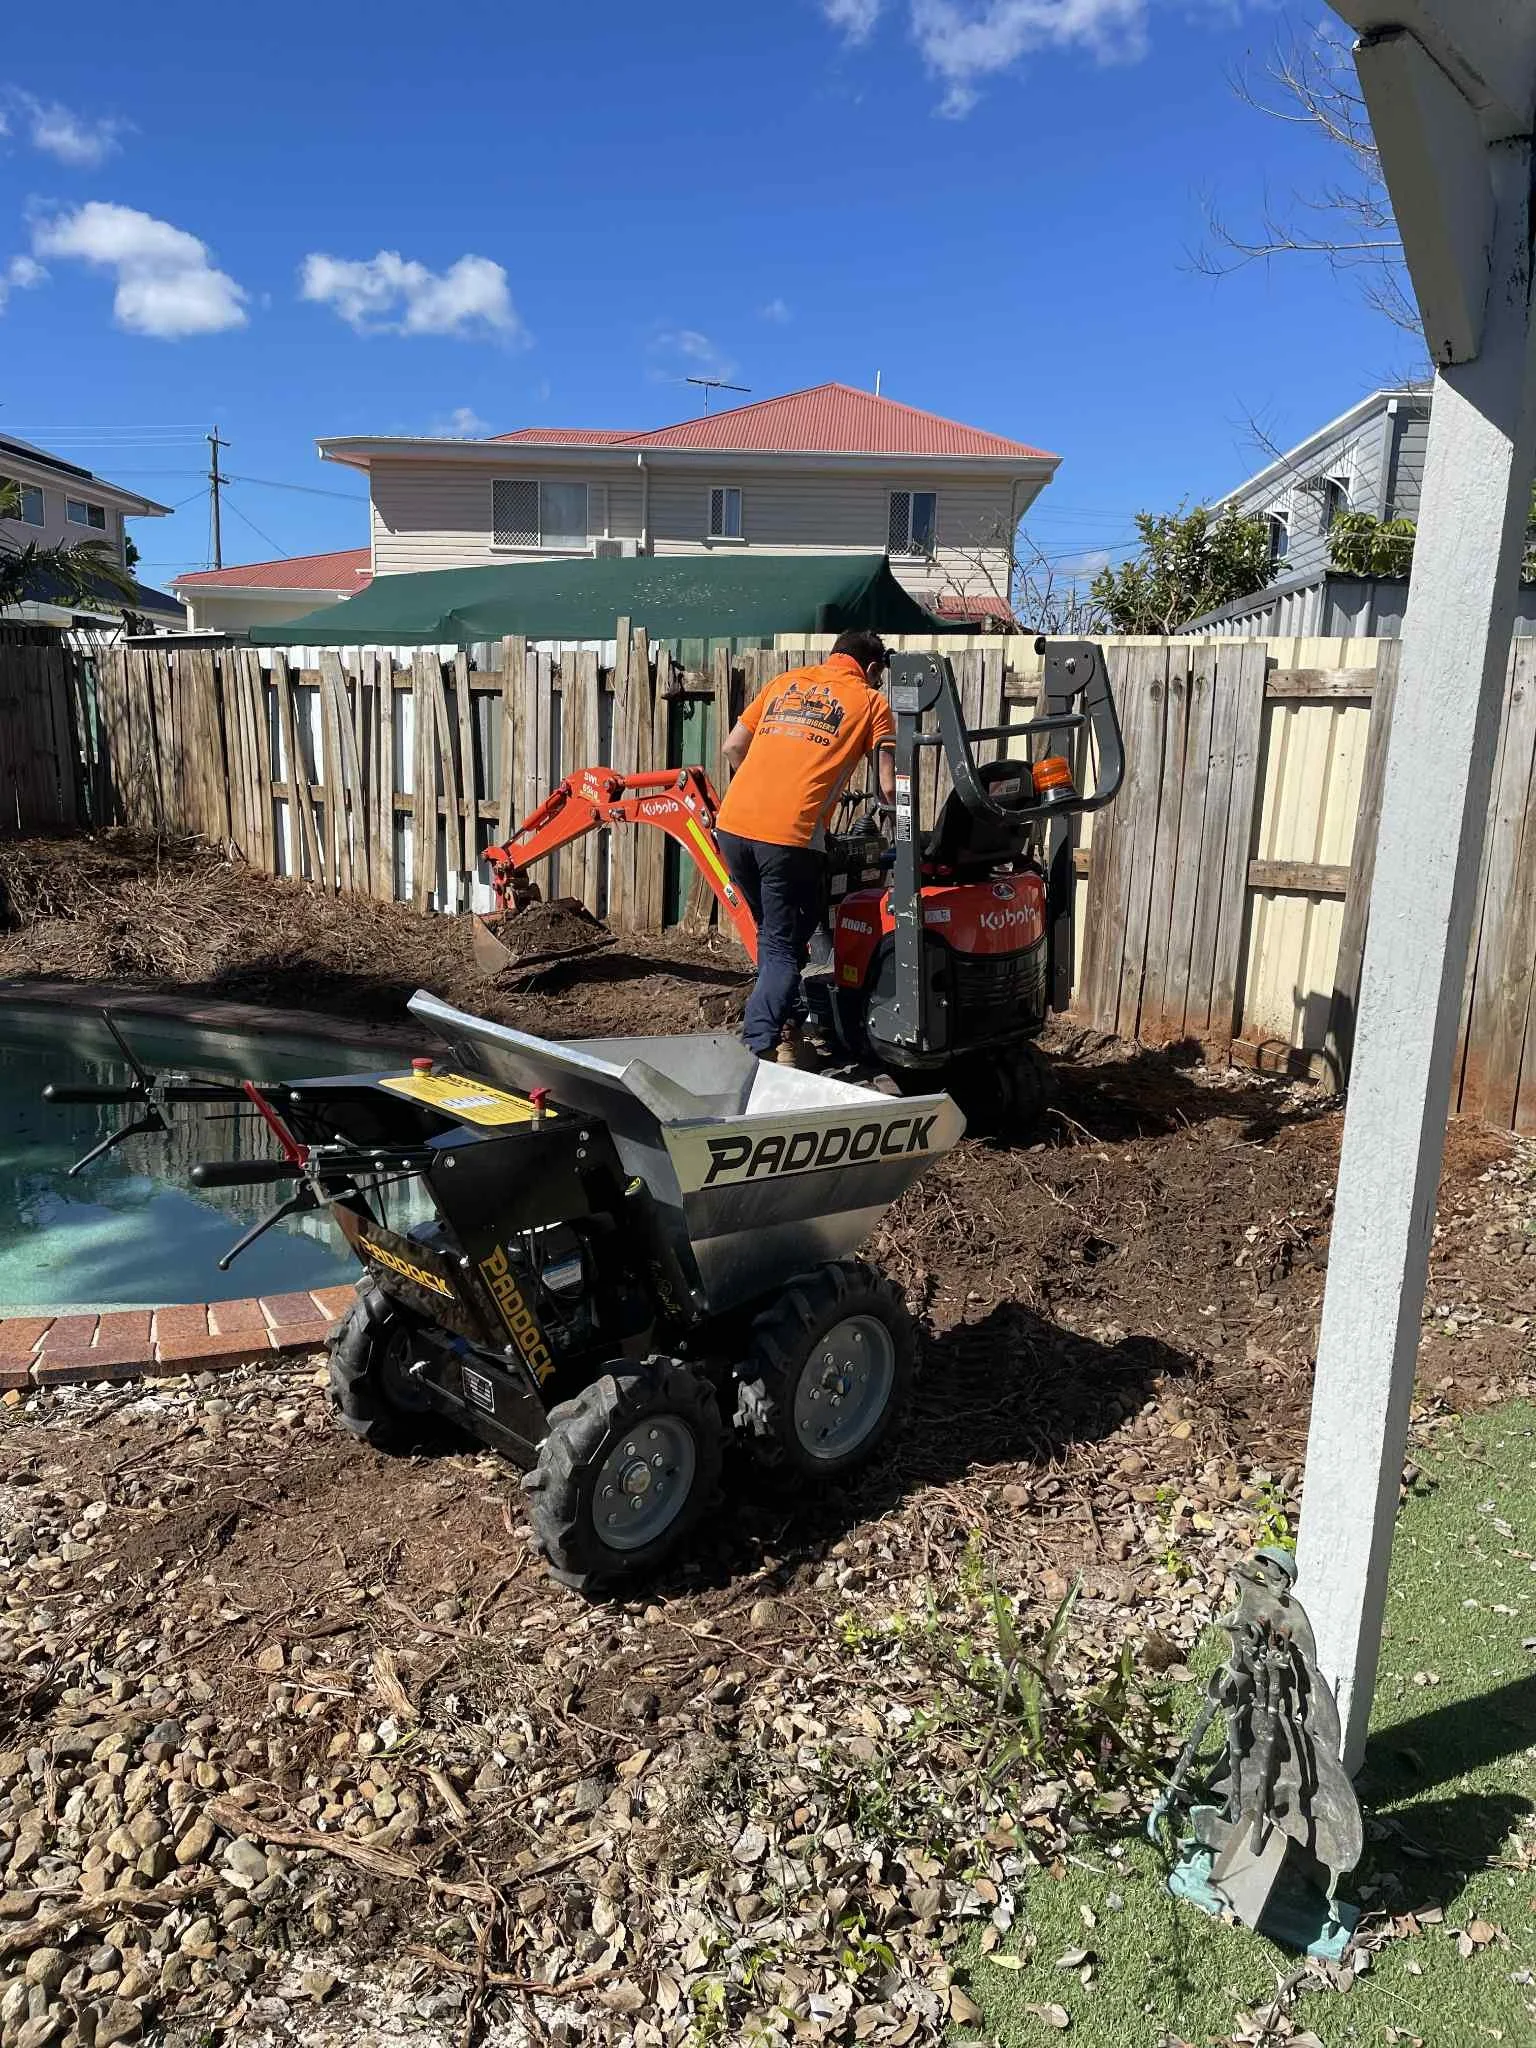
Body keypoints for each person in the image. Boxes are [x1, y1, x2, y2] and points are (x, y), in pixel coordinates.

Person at [716, 629, 897, 1064]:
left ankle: (789, 1034)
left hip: (733, 827)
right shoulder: (872, 702)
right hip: (791, 837)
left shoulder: (785, 683)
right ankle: (755, 1050)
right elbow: (889, 788)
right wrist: (906, 826)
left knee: (775, 941)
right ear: (872, 669)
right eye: (878, 677)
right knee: (783, 949)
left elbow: (732, 746)